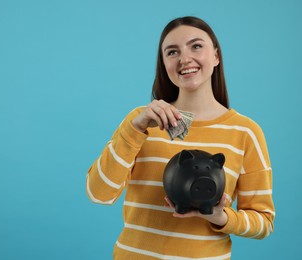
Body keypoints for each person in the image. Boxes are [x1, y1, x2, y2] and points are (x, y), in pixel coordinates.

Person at [86, 16, 275, 259]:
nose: (184, 59)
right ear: (164, 63)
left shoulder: (246, 132)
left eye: (196, 46)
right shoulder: (140, 122)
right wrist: (135, 129)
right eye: (172, 52)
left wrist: (220, 217)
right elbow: (98, 194)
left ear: (216, 56)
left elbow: (264, 222)